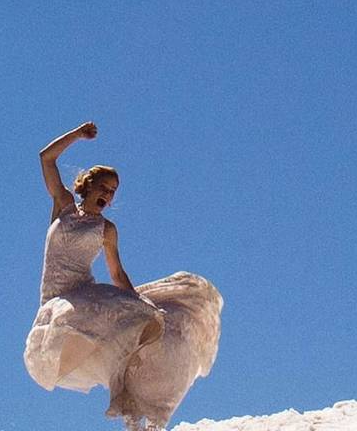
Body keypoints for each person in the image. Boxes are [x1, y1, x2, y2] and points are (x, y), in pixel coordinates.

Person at [24, 122, 222, 430]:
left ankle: (135, 412)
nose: (107, 194)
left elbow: (117, 273)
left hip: (82, 294)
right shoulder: (63, 206)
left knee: (131, 333)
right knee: (75, 331)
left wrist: (139, 302)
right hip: (56, 296)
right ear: (87, 186)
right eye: (103, 187)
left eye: (113, 192)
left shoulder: (106, 230)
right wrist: (77, 135)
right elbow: (45, 158)